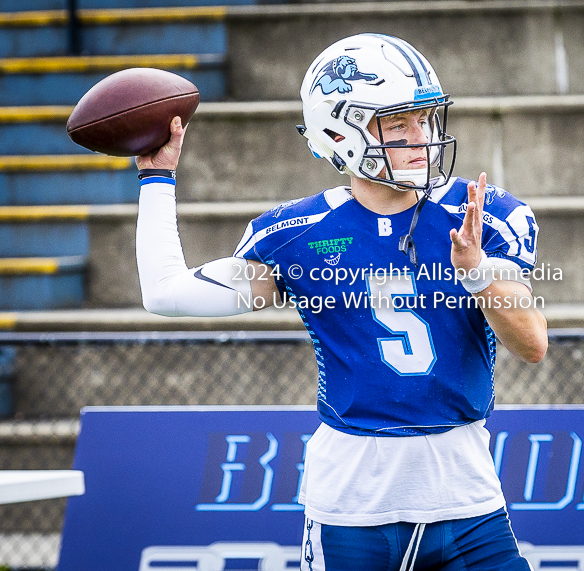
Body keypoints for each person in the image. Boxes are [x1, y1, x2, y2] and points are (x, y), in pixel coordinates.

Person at [135, 33, 547, 571]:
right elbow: (166, 293)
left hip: (470, 503)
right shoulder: (298, 233)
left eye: (424, 119)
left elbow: (532, 344)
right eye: (398, 123)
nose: (420, 138)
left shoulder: (481, 214)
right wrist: (157, 178)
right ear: (339, 132)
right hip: (352, 507)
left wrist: (476, 276)